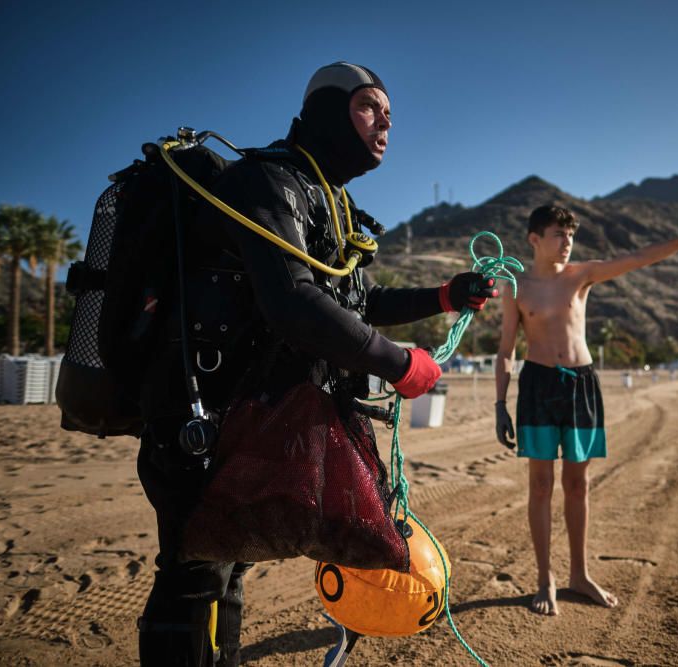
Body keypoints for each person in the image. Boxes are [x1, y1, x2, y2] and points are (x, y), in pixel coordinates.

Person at [135, 62, 496, 666]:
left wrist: (443, 296)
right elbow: (291, 301)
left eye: (389, 114)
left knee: (229, 566)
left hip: (258, 420)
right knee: (193, 572)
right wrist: (397, 363)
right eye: (367, 107)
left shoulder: (331, 200)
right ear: (328, 112)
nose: (384, 122)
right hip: (202, 414)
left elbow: (357, 301)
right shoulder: (268, 180)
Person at [494, 204, 678, 616]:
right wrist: (500, 405)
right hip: (537, 386)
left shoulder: (582, 275)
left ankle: (579, 574)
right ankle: (545, 578)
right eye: (559, 235)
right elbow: (506, 350)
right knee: (540, 485)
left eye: (571, 235)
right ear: (534, 239)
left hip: (582, 387)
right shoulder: (516, 287)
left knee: (579, 486)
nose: (568, 243)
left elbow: (637, 258)